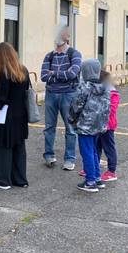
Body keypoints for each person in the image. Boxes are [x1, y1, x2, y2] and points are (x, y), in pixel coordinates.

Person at [0, 42, 30, 190]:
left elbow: (2, 99)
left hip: (6, 116)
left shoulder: (4, 73)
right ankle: (20, 179)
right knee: (18, 146)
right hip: (21, 114)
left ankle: (2, 180)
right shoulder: (23, 70)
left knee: (3, 146)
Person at [40, 25, 82, 170]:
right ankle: (49, 156)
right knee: (49, 127)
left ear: (67, 37)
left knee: (70, 128)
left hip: (69, 95)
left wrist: (54, 73)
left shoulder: (75, 54)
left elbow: (72, 74)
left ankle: (69, 159)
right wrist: (59, 75)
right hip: (51, 94)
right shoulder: (49, 56)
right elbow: (43, 76)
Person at [68, 59, 111, 193]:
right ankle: (97, 178)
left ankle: (90, 181)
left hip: (85, 126)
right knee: (93, 151)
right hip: (99, 125)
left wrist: (71, 119)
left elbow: (76, 106)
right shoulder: (106, 87)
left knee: (87, 152)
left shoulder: (84, 87)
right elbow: (107, 108)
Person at [80, 70, 120, 182]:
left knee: (109, 148)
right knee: (96, 147)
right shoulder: (99, 90)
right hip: (98, 125)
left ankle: (112, 171)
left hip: (108, 126)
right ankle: (92, 168)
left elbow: (111, 110)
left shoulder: (112, 92)